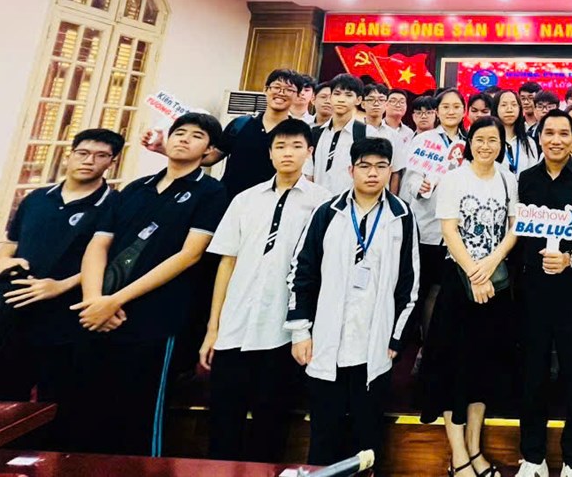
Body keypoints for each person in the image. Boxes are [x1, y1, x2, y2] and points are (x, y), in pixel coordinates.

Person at [70, 112, 228, 456]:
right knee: (86, 414)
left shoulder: (211, 192)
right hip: (99, 316)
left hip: (155, 319)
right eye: (179, 132)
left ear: (209, 150)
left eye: (196, 136)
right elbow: (99, 244)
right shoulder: (134, 188)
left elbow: (189, 255)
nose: (184, 139)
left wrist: (115, 301)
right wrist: (95, 299)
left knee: (138, 419)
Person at [200, 119, 333, 463]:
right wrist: (213, 328)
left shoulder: (323, 203)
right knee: (223, 423)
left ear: (309, 152)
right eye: (280, 146)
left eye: (296, 146)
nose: (288, 153)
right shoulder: (245, 200)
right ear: (270, 153)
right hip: (235, 325)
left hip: (281, 330)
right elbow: (227, 263)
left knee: (270, 425)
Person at [287, 137, 420, 467]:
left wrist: (396, 339)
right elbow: (302, 272)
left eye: (381, 166)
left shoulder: (401, 216)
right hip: (326, 341)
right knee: (324, 436)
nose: (373, 173)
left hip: (374, 345)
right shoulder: (327, 212)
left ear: (390, 170)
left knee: (367, 440)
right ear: (351, 170)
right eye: (365, 166)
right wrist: (301, 331)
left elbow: (410, 284)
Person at [0, 128, 122, 446]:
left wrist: (60, 286)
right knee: (8, 399)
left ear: (112, 162)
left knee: (59, 405)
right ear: (70, 154)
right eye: (83, 153)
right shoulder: (37, 198)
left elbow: (110, 261)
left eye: (100, 155)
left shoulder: (114, 205)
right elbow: (9, 243)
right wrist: (3, 261)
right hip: (14, 312)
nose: (89, 161)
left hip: (66, 318)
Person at [421, 116, 518, 477]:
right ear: (469, 143)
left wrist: (490, 264)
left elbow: (514, 228)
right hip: (459, 283)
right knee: (453, 367)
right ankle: (459, 455)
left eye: (493, 140)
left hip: (496, 282)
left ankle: (475, 449)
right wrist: (475, 272)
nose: (486, 146)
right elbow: (449, 230)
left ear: (501, 145)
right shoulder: (454, 178)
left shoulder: (508, 179)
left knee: (483, 367)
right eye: (479, 139)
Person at [516, 109, 572, 477]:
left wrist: (571, 258)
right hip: (532, 290)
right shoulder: (526, 180)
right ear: (539, 137)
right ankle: (532, 457)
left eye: (563, 133)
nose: (556, 140)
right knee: (532, 373)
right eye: (549, 133)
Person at [141, 68, 300, 202]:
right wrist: (163, 148)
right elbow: (210, 159)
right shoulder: (240, 124)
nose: (281, 93)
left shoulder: (297, 132)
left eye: (289, 90)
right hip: (229, 200)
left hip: (270, 203)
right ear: (266, 90)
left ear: (297, 95)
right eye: (276, 87)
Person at [396, 88, 468, 367]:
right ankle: (422, 350)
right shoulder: (424, 140)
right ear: (437, 111)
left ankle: (439, 349)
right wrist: (421, 187)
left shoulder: (467, 143)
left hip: (456, 230)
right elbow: (410, 180)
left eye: (456, 106)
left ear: (463, 110)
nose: (451, 111)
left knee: (442, 291)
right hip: (426, 227)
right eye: (445, 107)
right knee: (422, 291)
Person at [311, 74, 371, 196]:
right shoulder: (315, 133)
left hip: (350, 202)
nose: (341, 99)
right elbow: (308, 173)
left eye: (348, 95)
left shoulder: (366, 133)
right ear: (330, 97)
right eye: (337, 94)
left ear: (358, 100)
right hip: (316, 202)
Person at [494, 89, 537, 176]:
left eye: (514, 105)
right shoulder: (491, 142)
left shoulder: (529, 143)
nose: (509, 109)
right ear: (496, 108)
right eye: (504, 105)